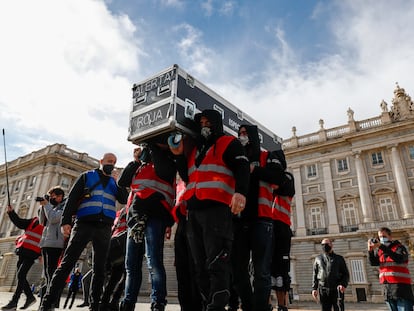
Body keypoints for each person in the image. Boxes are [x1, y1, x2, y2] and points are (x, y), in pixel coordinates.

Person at [169, 109, 250, 311]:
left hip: (217, 211)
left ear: (216, 123)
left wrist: (240, 193)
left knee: (217, 263)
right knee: (200, 266)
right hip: (193, 213)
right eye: (202, 122)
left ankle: (217, 307)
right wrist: (179, 157)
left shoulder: (228, 143)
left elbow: (242, 168)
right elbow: (188, 177)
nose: (204, 125)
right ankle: (208, 305)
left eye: (208, 122)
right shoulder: (196, 150)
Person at [39, 152, 128, 311]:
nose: (111, 164)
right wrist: (66, 222)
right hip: (84, 224)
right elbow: (72, 199)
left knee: (100, 269)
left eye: (114, 162)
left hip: (104, 228)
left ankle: (95, 305)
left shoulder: (115, 182)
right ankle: (47, 302)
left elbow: (123, 199)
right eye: (109, 161)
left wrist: (117, 181)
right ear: (101, 161)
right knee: (67, 263)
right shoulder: (86, 176)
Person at [231, 125, 287, 311]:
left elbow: (280, 178)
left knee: (262, 272)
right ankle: (248, 305)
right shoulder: (237, 157)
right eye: (240, 134)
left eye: (245, 133)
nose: (242, 136)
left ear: (254, 136)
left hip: (262, 220)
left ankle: (260, 307)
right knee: (238, 270)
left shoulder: (267, 156)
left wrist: (255, 170)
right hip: (239, 220)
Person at [118, 143, 176, 311]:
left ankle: (158, 302)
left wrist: (153, 146)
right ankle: (128, 302)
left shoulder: (167, 162)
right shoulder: (139, 167)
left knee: (153, 260)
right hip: (135, 217)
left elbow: (164, 172)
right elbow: (122, 181)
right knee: (131, 264)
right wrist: (136, 161)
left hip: (156, 214)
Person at [1, 205, 44, 311]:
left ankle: (14, 302)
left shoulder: (47, 225)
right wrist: (11, 213)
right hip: (23, 250)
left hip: (33, 252)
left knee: (21, 274)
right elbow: (19, 222)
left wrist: (42, 255)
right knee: (21, 276)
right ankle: (30, 297)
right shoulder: (33, 220)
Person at [270, 150, 295, 311]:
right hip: (267, 225)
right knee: (265, 267)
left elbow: (277, 186)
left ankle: (282, 306)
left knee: (281, 269)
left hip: (282, 227)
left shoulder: (287, 177)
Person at [172, 178, 203, 311]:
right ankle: (185, 307)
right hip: (182, 225)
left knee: (195, 268)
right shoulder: (179, 182)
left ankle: (197, 305)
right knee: (182, 269)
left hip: (197, 221)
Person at [368, 227, 414, 311]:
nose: (381, 239)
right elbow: (373, 263)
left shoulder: (399, 247)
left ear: (390, 237)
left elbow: (399, 259)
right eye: (380, 237)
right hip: (387, 289)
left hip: (401, 289)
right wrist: (370, 251)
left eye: (384, 236)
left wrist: (381, 246)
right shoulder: (380, 251)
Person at [38, 186, 66, 306]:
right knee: (47, 274)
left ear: (60, 197)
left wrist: (47, 205)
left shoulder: (64, 206)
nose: (51, 199)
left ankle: (50, 302)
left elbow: (54, 218)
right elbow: (42, 222)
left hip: (56, 243)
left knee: (52, 273)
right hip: (46, 242)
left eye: (53, 197)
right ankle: (48, 302)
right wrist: (43, 206)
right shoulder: (51, 207)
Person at [100, 206, 128, 311]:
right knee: (126, 276)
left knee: (114, 278)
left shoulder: (118, 213)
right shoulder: (129, 209)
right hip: (125, 246)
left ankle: (105, 301)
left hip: (114, 246)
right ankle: (114, 301)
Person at [311, 238, 349, 311]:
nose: (324, 246)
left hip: (336, 289)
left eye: (326, 244)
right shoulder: (318, 259)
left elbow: (345, 274)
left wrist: (343, 284)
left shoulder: (339, 258)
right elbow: (315, 274)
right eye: (322, 245)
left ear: (331, 245)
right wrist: (314, 288)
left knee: (338, 308)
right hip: (323, 289)